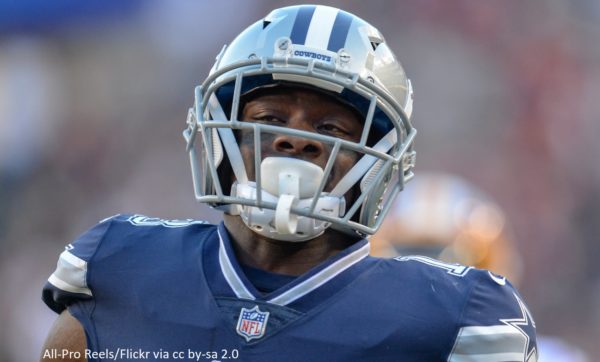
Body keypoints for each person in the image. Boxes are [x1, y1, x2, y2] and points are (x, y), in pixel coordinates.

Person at [41, 5, 537, 361]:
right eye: (271, 117)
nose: (295, 142)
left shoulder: (458, 320)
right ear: (221, 137)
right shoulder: (118, 266)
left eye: (330, 129)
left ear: (382, 159)